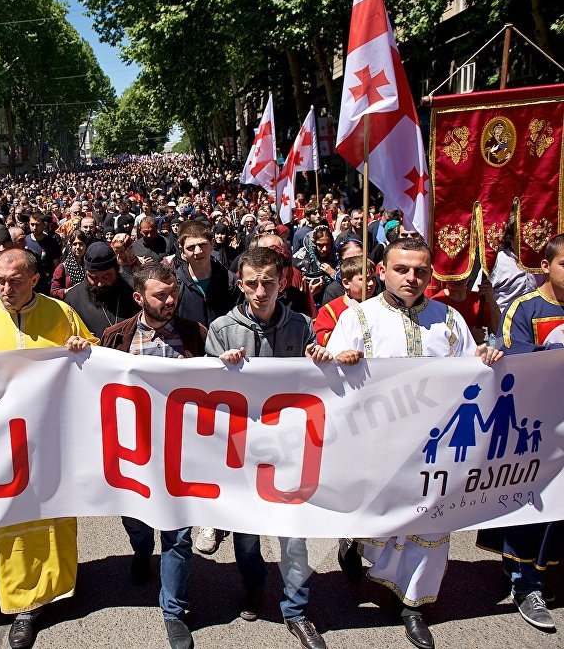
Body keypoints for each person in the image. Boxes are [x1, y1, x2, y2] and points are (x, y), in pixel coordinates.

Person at [326, 237, 504, 649]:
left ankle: (411, 603)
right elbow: (329, 379)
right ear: (381, 271)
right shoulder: (359, 318)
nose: (411, 277)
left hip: (436, 448)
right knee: (382, 521)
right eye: (402, 269)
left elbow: (469, 371)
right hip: (379, 445)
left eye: (421, 270)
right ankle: (356, 546)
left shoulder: (448, 319)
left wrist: (485, 358)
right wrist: (341, 359)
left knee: (430, 523)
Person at [0, 249, 96, 649]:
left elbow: (93, 359)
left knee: (55, 512)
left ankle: (59, 586)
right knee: (12, 517)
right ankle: (23, 605)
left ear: (34, 279)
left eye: (15, 280)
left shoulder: (61, 314)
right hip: (2, 443)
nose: (5, 288)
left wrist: (83, 347)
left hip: (51, 438)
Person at [204, 247, 334, 649]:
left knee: (294, 534)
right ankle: (253, 586)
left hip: (291, 450)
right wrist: (218, 365)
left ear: (283, 282)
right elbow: (206, 392)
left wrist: (323, 356)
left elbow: (325, 376)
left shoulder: (301, 326)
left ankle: (296, 608)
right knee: (246, 534)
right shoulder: (222, 330)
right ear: (240, 284)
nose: (261, 291)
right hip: (242, 453)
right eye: (252, 283)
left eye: (269, 282)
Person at [100, 263, 207, 649]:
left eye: (172, 292)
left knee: (178, 536)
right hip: (133, 455)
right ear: (138, 297)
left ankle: (174, 612)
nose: (169, 301)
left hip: (182, 455)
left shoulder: (195, 334)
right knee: (137, 522)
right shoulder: (116, 338)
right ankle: (141, 549)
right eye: (160, 295)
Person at [475, 233, 564, 632]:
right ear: (545, 265)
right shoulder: (525, 308)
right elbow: (516, 360)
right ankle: (525, 582)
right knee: (532, 504)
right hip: (538, 426)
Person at [173, 221, 241, 329]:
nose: (198, 251)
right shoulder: (174, 284)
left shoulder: (230, 280)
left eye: (202, 245)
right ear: (182, 250)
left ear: (212, 243)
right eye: (190, 247)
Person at [63, 242, 139, 338]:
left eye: (106, 277)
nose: (100, 283)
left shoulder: (135, 289)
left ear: (117, 269)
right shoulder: (74, 298)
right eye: (94, 278)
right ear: (86, 273)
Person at [313, 256, 377, 346]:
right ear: (346, 283)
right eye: (365, 279)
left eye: (373, 278)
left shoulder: (380, 306)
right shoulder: (329, 311)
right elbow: (322, 339)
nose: (371, 283)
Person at [51, 230, 91, 299]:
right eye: (75, 244)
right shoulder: (63, 267)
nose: (78, 247)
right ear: (71, 246)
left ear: (85, 245)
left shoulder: (90, 265)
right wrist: (70, 290)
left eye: (81, 244)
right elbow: (54, 291)